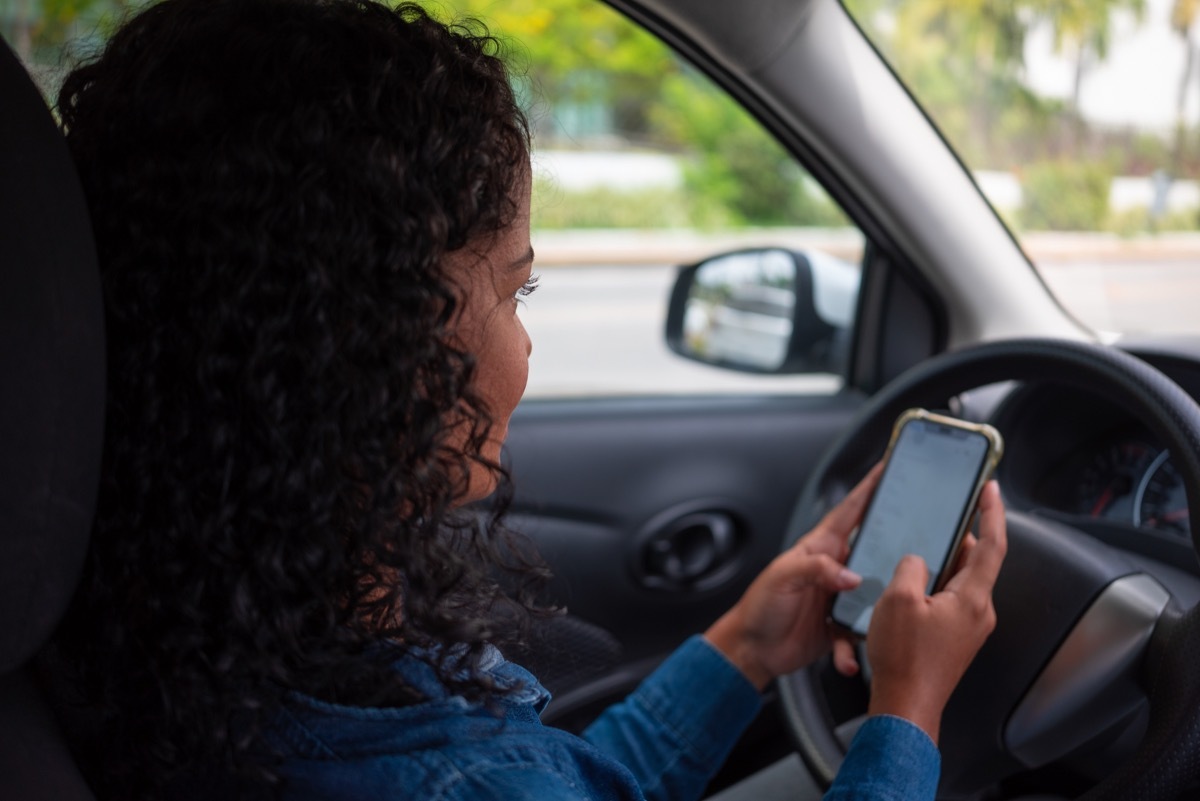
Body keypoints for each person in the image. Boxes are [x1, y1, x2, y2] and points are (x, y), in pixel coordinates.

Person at [50, 0, 1008, 799]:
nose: (526, 340)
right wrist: (905, 715)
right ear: (371, 348)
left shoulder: (179, 647)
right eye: (516, 292)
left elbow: (565, 780)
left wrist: (746, 643)